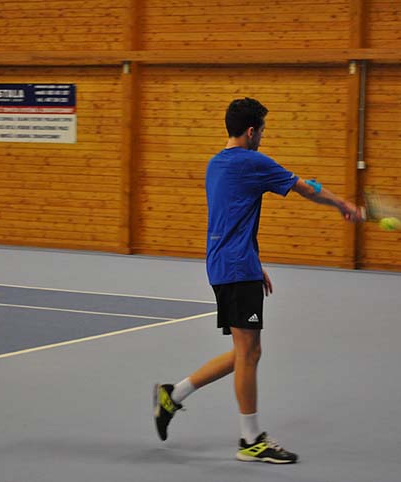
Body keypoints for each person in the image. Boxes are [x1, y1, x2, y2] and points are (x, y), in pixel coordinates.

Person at [153, 97, 361, 464]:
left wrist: (253, 262)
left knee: (247, 352)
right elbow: (306, 187)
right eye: (262, 131)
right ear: (251, 131)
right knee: (248, 353)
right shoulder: (253, 162)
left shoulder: (216, 163)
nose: (263, 137)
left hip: (228, 265)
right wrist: (343, 205)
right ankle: (251, 440)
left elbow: (231, 216)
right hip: (236, 269)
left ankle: (174, 395)